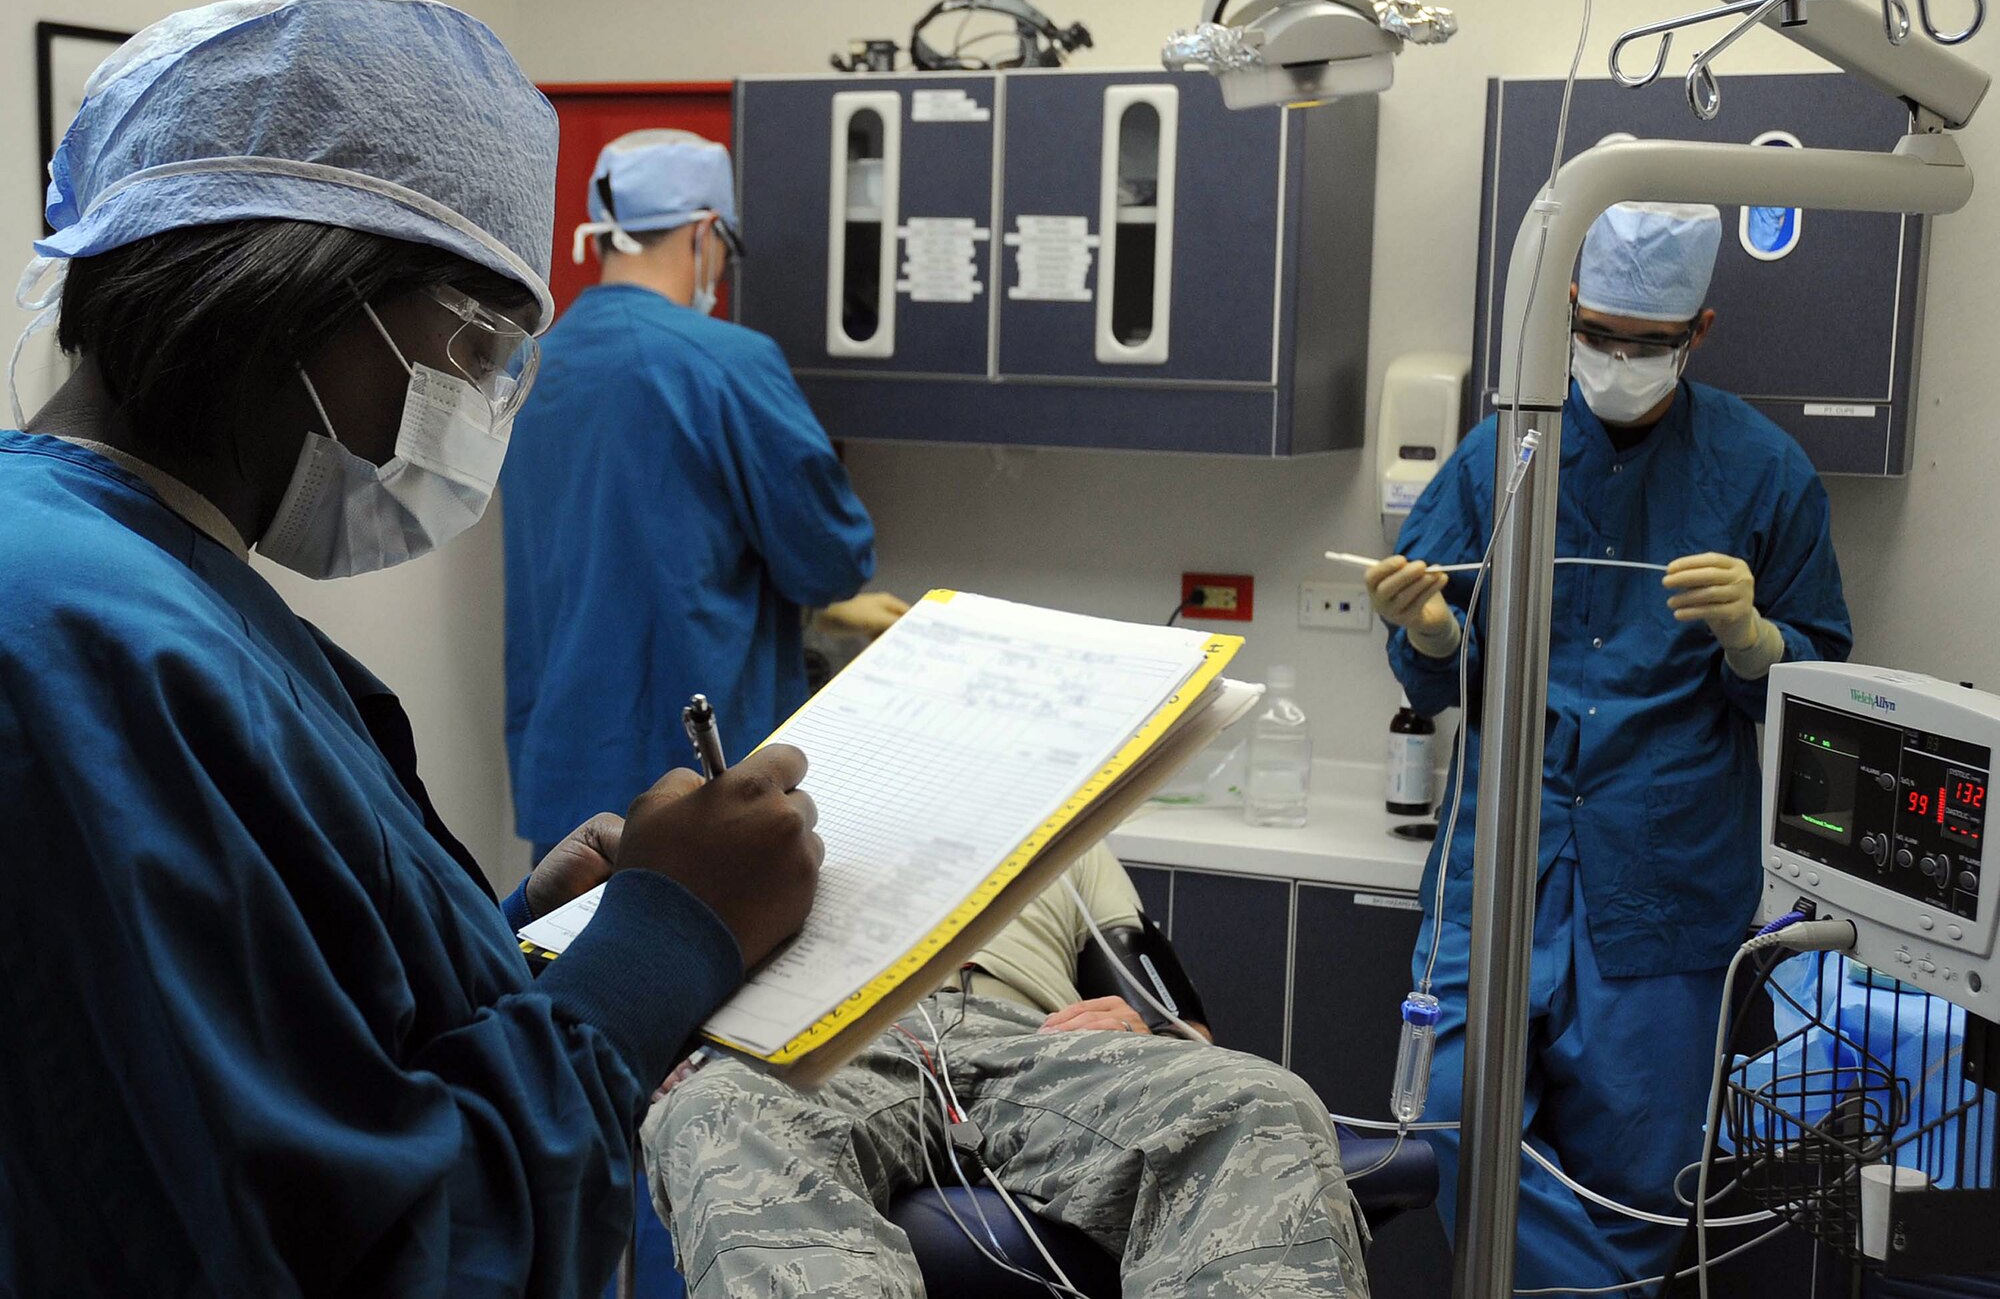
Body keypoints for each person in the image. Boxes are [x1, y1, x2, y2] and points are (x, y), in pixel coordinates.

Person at [0, 0, 823, 1294]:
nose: (478, 402)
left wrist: (501, 941)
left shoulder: (145, 579)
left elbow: (277, 1024)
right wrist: (671, 934)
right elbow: (370, 1243)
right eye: (482, 345)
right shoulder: (78, 643)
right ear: (324, 299)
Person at [1364, 200, 1853, 1290]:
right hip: (1498, 866)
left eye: (1646, 344)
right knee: (1444, 1124)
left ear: (1699, 331)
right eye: (1596, 334)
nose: (1615, 360)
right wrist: (1434, 631)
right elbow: (1427, 664)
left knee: (1641, 1180)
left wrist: (1755, 638)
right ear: (1567, 314)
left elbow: (1811, 696)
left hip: (1663, 873)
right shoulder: (1502, 453)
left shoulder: (1763, 471)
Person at [643, 844, 1371, 1299]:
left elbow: (1179, 1017)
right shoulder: (789, 832)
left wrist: (1151, 1026)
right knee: (718, 1104)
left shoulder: (1069, 843)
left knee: (1256, 1098)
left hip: (1038, 1040)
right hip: (843, 1035)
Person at [501, 129, 904, 860]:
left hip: (566, 772)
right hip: (703, 791)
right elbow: (832, 558)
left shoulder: (527, 364)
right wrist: (820, 594)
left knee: (575, 967)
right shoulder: (728, 363)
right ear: (706, 232)